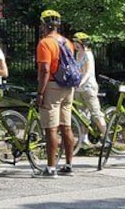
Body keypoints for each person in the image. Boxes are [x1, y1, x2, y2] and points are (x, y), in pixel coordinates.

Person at [35, 9, 76, 177]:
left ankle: (51, 168)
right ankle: (68, 165)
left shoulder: (45, 43)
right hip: (68, 87)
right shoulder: (67, 42)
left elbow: (45, 70)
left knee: (51, 128)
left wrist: (40, 92)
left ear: (45, 25)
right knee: (66, 126)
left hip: (52, 86)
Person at [73, 32, 106, 144]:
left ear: (81, 43)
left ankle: (107, 138)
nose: (74, 44)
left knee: (96, 113)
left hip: (88, 87)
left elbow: (88, 72)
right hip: (78, 89)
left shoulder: (88, 54)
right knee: (82, 115)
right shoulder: (77, 54)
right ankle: (84, 138)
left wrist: (81, 82)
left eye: (76, 42)